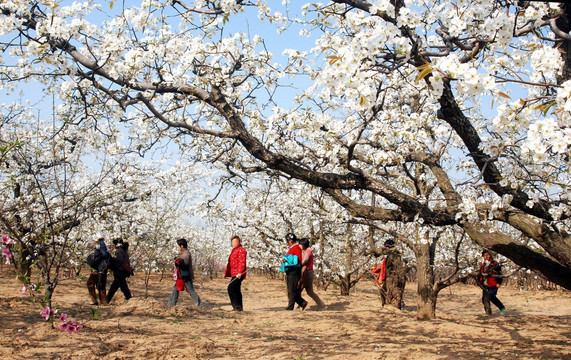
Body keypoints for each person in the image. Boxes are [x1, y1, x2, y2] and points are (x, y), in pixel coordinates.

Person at [371, 239, 407, 309]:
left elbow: (381, 251)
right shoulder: (395, 254)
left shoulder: (394, 254)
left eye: (385, 247)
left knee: (392, 294)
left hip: (394, 277)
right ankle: (392, 306)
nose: (385, 248)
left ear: (388, 247)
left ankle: (393, 307)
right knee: (387, 292)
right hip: (395, 277)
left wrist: (377, 252)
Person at [168, 238, 203, 307]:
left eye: (178, 245)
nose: (177, 247)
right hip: (181, 275)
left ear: (181, 246)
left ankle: (199, 304)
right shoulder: (183, 253)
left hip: (185, 275)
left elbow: (185, 262)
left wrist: (179, 262)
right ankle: (171, 304)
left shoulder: (186, 253)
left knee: (190, 290)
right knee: (176, 289)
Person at [299, 238, 327, 310]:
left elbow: (304, 261)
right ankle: (300, 304)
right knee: (303, 290)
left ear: (303, 245)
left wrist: (298, 262)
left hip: (307, 273)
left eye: (300, 244)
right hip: (307, 272)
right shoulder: (306, 251)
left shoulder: (308, 251)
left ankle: (322, 305)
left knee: (307, 291)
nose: (299, 246)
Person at [283, 233, 307, 311]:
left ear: (290, 241)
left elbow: (297, 259)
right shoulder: (294, 248)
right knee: (291, 289)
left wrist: (286, 259)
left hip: (294, 271)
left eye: (287, 241)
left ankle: (290, 307)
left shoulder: (295, 248)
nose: (287, 243)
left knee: (292, 289)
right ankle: (302, 303)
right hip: (291, 271)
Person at [478, 249, 506, 315]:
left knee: (491, 296)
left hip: (493, 283)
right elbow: (480, 274)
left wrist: (499, 283)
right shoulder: (482, 265)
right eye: (484, 255)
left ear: (490, 255)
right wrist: (479, 282)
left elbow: (499, 274)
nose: (486, 256)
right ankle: (488, 312)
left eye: (487, 255)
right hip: (485, 284)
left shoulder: (495, 264)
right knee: (484, 299)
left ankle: (501, 307)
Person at [224, 235, 247, 311]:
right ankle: (239, 307)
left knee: (231, 288)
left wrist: (240, 272)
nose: (234, 243)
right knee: (236, 289)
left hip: (239, 274)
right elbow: (229, 263)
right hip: (234, 273)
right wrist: (226, 272)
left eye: (235, 242)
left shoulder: (241, 250)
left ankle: (236, 306)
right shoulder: (233, 250)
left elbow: (242, 262)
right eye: (232, 242)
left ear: (239, 242)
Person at [106, 239, 133, 304]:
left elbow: (119, 261)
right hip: (122, 272)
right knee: (122, 287)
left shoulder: (119, 251)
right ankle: (129, 299)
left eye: (114, 244)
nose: (114, 246)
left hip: (120, 272)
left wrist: (112, 263)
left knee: (114, 288)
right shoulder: (123, 251)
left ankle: (106, 300)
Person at [86, 237, 109, 306]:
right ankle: (103, 301)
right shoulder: (102, 245)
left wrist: (98, 256)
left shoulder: (101, 245)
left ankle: (94, 300)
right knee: (101, 285)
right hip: (102, 268)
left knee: (90, 283)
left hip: (99, 268)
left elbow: (104, 254)